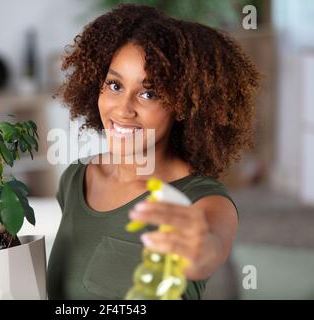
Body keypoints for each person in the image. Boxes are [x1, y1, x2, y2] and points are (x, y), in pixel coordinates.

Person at [47, 3, 260, 300]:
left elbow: (208, 248)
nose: (123, 108)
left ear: (184, 106)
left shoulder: (204, 200)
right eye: (114, 85)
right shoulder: (75, 180)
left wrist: (202, 250)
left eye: (149, 93)